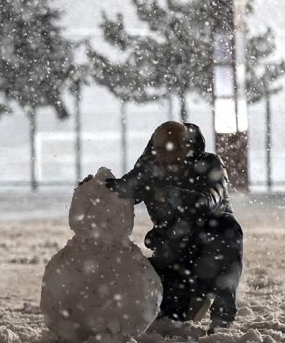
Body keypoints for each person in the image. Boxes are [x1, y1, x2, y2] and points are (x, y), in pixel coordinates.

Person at [104, 121, 243, 334]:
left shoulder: (210, 164)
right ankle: (189, 300)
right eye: (161, 150)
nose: (168, 157)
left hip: (208, 248)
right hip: (173, 251)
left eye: (175, 149)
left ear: (188, 147)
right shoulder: (149, 167)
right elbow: (121, 189)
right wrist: (97, 187)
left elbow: (207, 200)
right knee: (147, 290)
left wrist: (172, 194)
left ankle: (222, 314)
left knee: (227, 230)